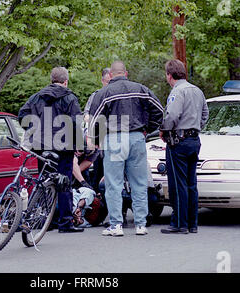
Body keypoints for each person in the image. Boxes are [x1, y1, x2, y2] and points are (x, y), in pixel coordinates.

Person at [88, 61, 164, 236]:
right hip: (137, 137)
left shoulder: (104, 93)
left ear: (111, 75)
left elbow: (93, 120)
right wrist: (147, 129)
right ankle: (140, 224)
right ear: (126, 73)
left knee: (113, 184)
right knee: (139, 182)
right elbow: (159, 110)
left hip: (114, 139)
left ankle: (116, 225)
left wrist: (97, 138)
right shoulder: (141, 89)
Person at [18, 66, 84, 233]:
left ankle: (47, 220)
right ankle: (65, 222)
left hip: (42, 146)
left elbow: (22, 115)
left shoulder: (36, 97)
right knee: (64, 183)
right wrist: (79, 145)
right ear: (65, 81)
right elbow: (76, 123)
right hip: (64, 147)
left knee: (45, 181)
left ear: (51, 80)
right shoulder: (69, 98)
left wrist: (35, 130)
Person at [159, 59, 209, 234]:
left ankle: (179, 223)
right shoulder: (197, 91)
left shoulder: (177, 92)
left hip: (178, 142)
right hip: (194, 140)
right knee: (191, 183)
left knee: (177, 184)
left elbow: (172, 115)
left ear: (169, 75)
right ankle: (192, 223)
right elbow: (205, 114)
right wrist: (195, 128)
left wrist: (165, 131)